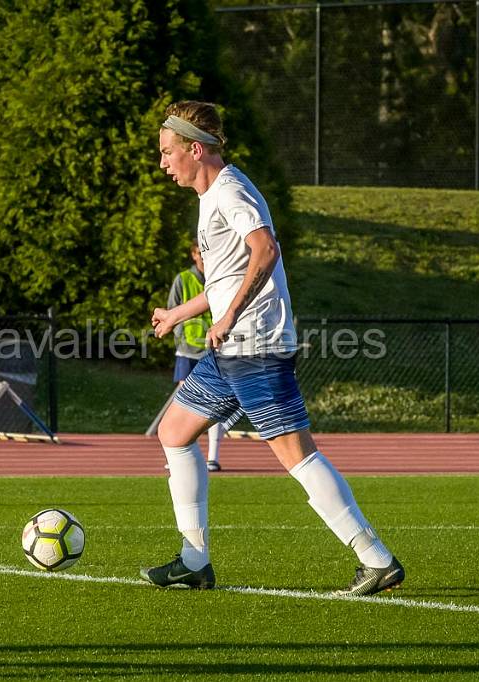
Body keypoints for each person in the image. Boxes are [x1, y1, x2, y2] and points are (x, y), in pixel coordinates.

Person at [142, 101, 404, 596]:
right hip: (232, 347)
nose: (162, 163)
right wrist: (181, 312)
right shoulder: (213, 195)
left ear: (194, 150)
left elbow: (265, 249)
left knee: (294, 453)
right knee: (175, 432)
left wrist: (229, 316)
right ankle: (194, 561)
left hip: (255, 344)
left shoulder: (230, 190)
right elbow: (226, 277)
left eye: (166, 152)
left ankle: (375, 558)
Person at [168, 242, 223, 472]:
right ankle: (181, 456)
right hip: (188, 349)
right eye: (199, 253)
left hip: (214, 348)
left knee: (216, 403)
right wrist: (180, 337)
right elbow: (173, 308)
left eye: (205, 253)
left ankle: (213, 456)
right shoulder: (183, 279)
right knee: (184, 402)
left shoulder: (220, 275)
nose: (202, 257)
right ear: (193, 255)